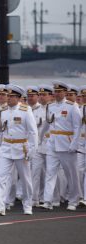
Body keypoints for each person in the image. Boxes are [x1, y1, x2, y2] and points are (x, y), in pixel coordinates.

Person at [0, 85, 38, 216]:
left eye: (12, 96)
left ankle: (27, 205)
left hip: (21, 149)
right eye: (9, 96)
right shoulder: (3, 111)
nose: (9, 98)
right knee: (1, 178)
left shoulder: (25, 110)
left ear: (18, 98)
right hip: (6, 148)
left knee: (25, 179)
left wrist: (32, 150)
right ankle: (1, 206)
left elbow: (33, 132)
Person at [41, 81, 81, 211]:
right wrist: (40, 137)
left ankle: (74, 200)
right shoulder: (50, 106)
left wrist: (75, 143)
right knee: (50, 172)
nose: (57, 94)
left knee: (71, 174)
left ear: (65, 93)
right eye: (55, 91)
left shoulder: (72, 106)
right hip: (53, 143)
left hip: (67, 144)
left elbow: (77, 126)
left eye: (59, 92)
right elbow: (47, 123)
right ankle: (48, 200)